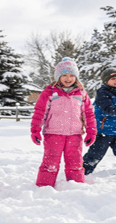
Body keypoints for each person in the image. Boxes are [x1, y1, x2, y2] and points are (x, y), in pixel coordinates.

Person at [30, 58, 97, 187]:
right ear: (58, 77)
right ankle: (44, 187)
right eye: (64, 75)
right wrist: (35, 130)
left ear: (76, 77)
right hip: (53, 133)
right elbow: (40, 112)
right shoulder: (49, 93)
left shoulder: (81, 94)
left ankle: (76, 186)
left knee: (75, 163)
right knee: (50, 163)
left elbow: (88, 114)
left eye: (72, 75)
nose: (68, 78)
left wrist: (91, 132)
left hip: (75, 134)